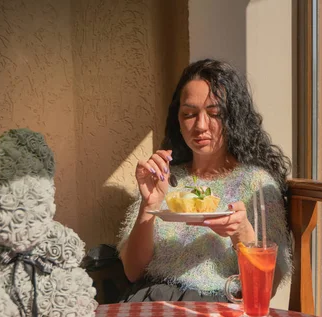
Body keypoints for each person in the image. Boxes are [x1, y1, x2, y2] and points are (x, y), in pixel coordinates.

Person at [117, 59, 292, 303]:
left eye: (215, 114)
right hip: (150, 302)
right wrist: (150, 204)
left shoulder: (257, 185)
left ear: (234, 118)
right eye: (189, 114)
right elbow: (133, 271)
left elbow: (268, 288)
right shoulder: (163, 177)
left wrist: (242, 232)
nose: (200, 126)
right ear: (177, 120)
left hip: (213, 308)